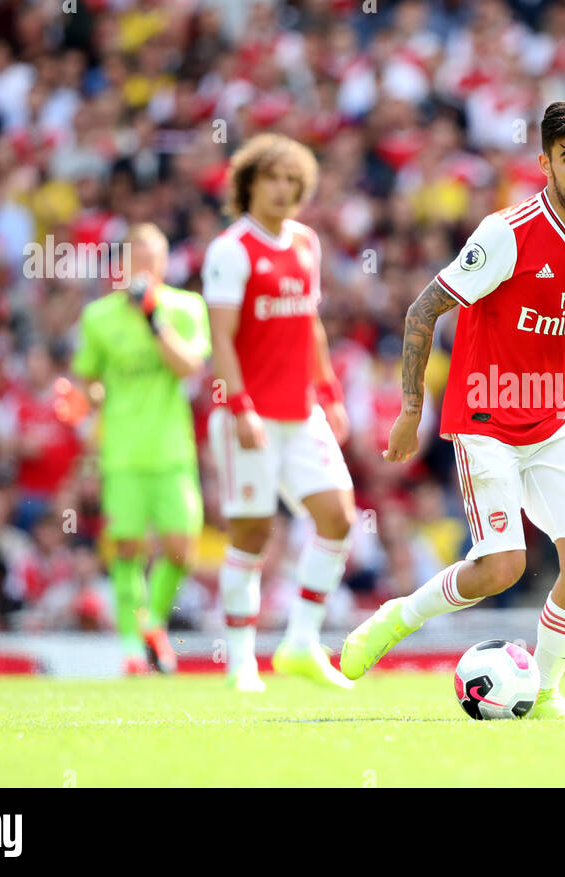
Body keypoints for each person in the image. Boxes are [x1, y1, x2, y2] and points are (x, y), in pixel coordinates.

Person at [341, 99, 565, 720]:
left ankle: (541, 693)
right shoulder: (506, 234)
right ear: (545, 163)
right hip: (486, 419)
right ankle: (395, 619)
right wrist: (411, 408)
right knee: (502, 567)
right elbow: (422, 310)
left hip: (556, 419)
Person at [203, 133, 356, 693]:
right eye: (274, 178)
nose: (284, 190)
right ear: (248, 184)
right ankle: (241, 658)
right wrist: (238, 404)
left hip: (301, 411)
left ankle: (300, 643)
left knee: (338, 516)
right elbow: (220, 334)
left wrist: (330, 390)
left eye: (294, 181)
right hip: (251, 415)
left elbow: (310, 324)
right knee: (252, 532)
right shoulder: (231, 248)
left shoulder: (306, 243)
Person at [71, 223, 211, 675]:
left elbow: (188, 367)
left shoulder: (186, 307)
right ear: (122, 264)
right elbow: (89, 381)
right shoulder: (99, 317)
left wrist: (154, 320)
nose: (146, 267)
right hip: (123, 452)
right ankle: (133, 647)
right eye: (138, 259)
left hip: (172, 450)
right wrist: (82, 399)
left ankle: (152, 623)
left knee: (181, 549)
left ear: (165, 263)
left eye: (154, 259)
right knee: (127, 549)